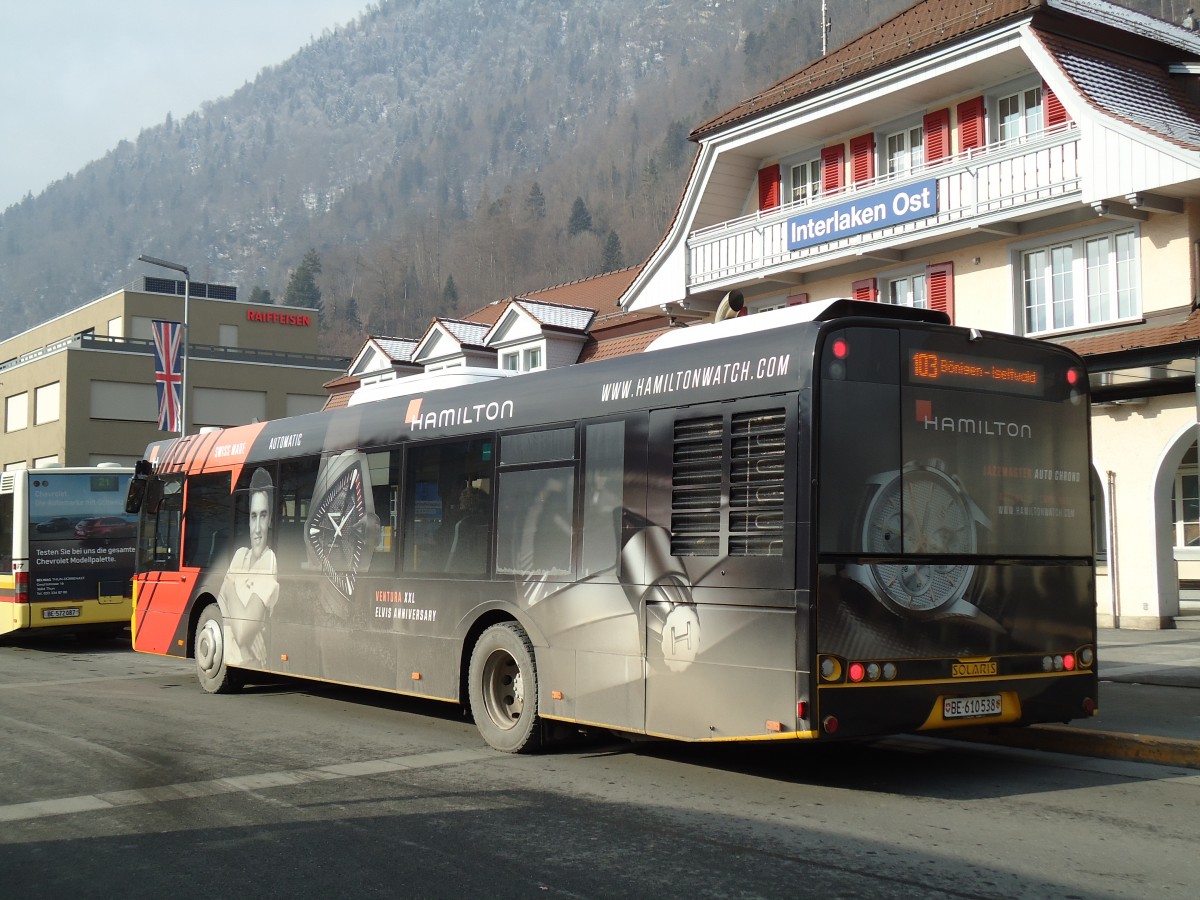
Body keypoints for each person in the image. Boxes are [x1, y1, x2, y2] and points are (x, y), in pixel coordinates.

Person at [220, 467, 279, 666]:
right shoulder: (240, 555)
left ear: (270, 520)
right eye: (253, 516)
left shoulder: (270, 561)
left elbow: (243, 632)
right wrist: (238, 623)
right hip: (232, 660)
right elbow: (220, 610)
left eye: (263, 516)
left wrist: (229, 589)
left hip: (248, 664)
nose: (257, 529)